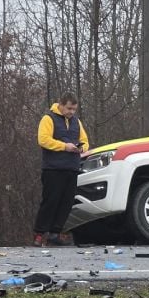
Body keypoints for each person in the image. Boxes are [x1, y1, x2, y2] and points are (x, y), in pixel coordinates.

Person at [34, 92, 89, 247]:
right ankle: (39, 234)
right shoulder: (48, 118)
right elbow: (43, 140)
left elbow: (85, 141)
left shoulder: (76, 122)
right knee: (50, 201)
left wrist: (81, 148)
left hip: (72, 167)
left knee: (66, 202)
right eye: (69, 108)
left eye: (74, 109)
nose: (71, 112)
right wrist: (64, 146)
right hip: (53, 168)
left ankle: (55, 233)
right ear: (61, 104)